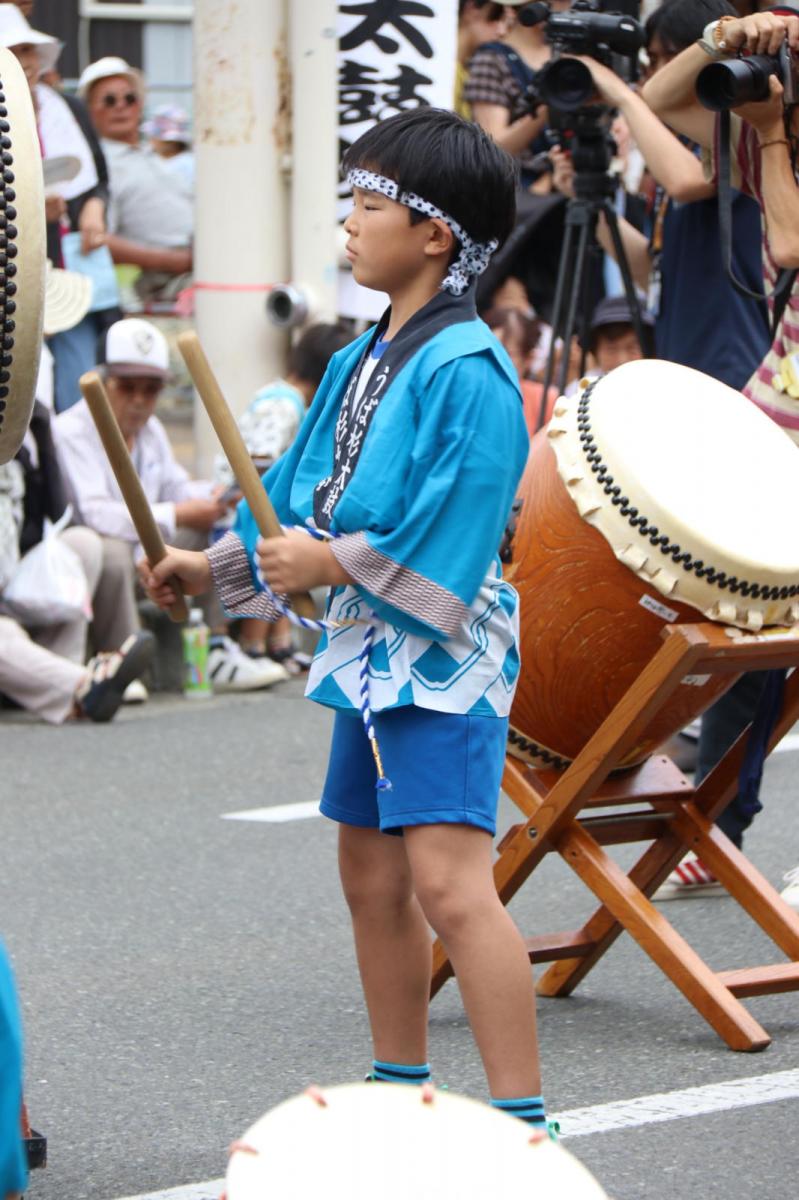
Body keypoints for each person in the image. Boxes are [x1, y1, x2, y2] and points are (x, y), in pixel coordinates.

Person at [141, 108, 553, 1129]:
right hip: (371, 647)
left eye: (370, 207)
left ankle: (522, 1118)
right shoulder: (359, 358)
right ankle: (401, 1078)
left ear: (434, 236)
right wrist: (215, 565)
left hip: (439, 650)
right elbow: (290, 487)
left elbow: (453, 525)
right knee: (369, 871)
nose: (351, 226)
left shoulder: (468, 368)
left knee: (453, 884)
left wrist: (327, 562)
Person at [643, 3, 799, 909]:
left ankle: (716, 820)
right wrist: (722, 41)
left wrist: (773, 134)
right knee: (749, 626)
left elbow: (786, 244)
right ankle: (717, 820)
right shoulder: (760, 126)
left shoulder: (768, 137)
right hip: (774, 413)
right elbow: (662, 101)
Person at [54, 318, 287, 692]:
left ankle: (216, 646)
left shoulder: (151, 430)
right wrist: (178, 513)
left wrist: (216, 496)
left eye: (150, 390)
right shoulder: (70, 430)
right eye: (126, 387)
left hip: (144, 554)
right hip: (92, 561)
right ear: (101, 381)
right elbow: (93, 513)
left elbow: (176, 487)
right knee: (111, 550)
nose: (139, 401)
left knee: (217, 524)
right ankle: (119, 658)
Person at [0, 4, 119, 413]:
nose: (26, 62)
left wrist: (93, 209)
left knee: (79, 387)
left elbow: (97, 179)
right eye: (14, 53)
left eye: (28, 51)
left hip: (75, 272)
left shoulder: (66, 109)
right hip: (18, 278)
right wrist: (29, 213)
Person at [214, 323, 352, 670]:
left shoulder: (288, 401)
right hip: (240, 504)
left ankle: (280, 642)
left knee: (286, 542)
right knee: (272, 543)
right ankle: (253, 642)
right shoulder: (284, 404)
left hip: (258, 502)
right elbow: (260, 462)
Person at [0, 458, 154, 724]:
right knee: (5, 633)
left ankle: (58, 673)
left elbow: (57, 513)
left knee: (83, 544)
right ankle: (82, 686)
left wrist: (39, 430)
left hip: (9, 575)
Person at [78, 57, 193, 306]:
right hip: (171, 283)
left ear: (140, 105)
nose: (121, 106)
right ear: (89, 111)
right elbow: (98, 239)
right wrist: (176, 261)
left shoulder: (154, 155)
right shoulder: (97, 166)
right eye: (109, 100)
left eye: (129, 98)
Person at [464, 0, 574, 189]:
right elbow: (494, 146)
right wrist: (550, 103)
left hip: (572, 181)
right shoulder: (491, 59)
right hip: (519, 193)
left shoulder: (571, 56)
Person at [455, 0, 507, 119]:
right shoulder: (440, 69)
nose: (501, 31)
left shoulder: (468, 71)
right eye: (496, 16)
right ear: (471, 8)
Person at [142, 104, 194, 198]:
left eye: (155, 136)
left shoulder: (186, 165)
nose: (151, 140)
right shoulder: (153, 160)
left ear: (170, 142)